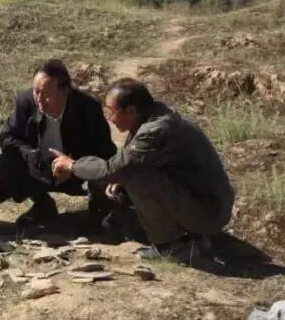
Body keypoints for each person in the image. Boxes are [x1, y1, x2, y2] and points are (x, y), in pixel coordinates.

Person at [50, 78, 235, 262]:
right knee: (126, 173)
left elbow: (115, 169)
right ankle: (193, 238)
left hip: (209, 211)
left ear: (131, 110)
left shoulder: (156, 129)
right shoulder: (150, 116)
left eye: (111, 111)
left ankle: (173, 245)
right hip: (204, 203)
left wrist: (72, 165)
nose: (109, 118)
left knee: (135, 174)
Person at [0, 59, 117, 227]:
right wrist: (29, 154)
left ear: (65, 91)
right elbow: (6, 137)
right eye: (35, 92)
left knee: (102, 172)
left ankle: (100, 211)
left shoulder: (88, 108)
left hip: (77, 170)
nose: (39, 100)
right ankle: (42, 205)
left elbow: (105, 151)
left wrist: (74, 166)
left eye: (46, 94)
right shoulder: (26, 102)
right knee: (5, 162)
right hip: (40, 169)